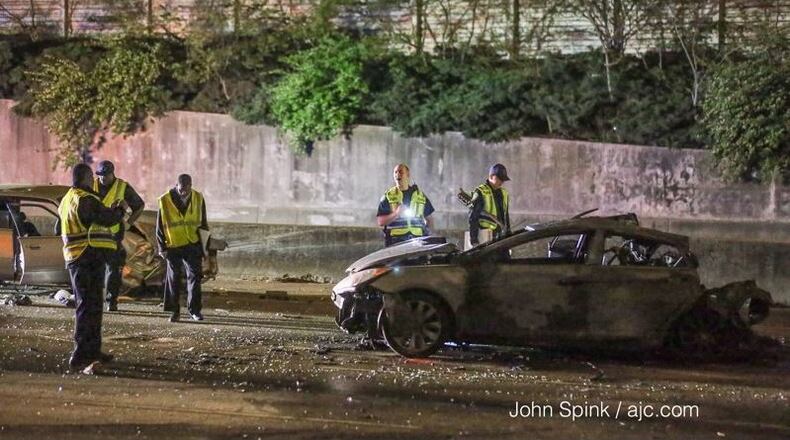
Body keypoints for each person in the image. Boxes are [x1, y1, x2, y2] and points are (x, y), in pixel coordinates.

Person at [57, 163, 126, 371]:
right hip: (86, 257)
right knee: (87, 307)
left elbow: (59, 226)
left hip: (77, 257)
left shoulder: (67, 199)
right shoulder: (85, 199)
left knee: (92, 306)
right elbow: (106, 219)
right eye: (91, 177)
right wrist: (119, 210)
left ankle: (94, 351)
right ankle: (80, 355)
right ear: (87, 177)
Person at [93, 160, 145, 311]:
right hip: (93, 236)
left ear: (112, 174)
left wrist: (129, 223)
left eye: (106, 175)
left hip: (113, 236)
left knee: (113, 270)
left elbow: (139, 205)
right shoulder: (91, 185)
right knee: (94, 271)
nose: (103, 178)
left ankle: (111, 301)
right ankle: (95, 300)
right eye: (100, 175)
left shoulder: (122, 187)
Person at [156, 174, 208, 322]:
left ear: (191, 186)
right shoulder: (165, 200)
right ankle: (174, 312)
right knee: (173, 278)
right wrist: (161, 247)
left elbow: (204, 223)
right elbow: (159, 226)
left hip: (193, 243)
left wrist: (205, 247)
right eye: (181, 190)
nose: (183, 192)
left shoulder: (198, 198)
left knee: (195, 277)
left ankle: (195, 311)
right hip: (173, 244)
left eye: (186, 190)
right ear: (176, 186)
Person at [376, 164, 435, 247]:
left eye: (400, 172)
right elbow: (380, 221)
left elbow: (429, 219)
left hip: (418, 241)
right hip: (396, 241)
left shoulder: (420, 196)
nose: (397, 174)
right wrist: (396, 214)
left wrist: (429, 236)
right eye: (395, 172)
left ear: (408, 175)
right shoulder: (388, 196)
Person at [469, 163, 511, 247]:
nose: (502, 181)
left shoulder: (504, 193)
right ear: (491, 176)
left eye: (503, 179)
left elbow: (506, 216)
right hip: (486, 238)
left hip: (501, 237)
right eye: (500, 178)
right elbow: (473, 217)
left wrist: (509, 233)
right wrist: (474, 240)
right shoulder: (481, 192)